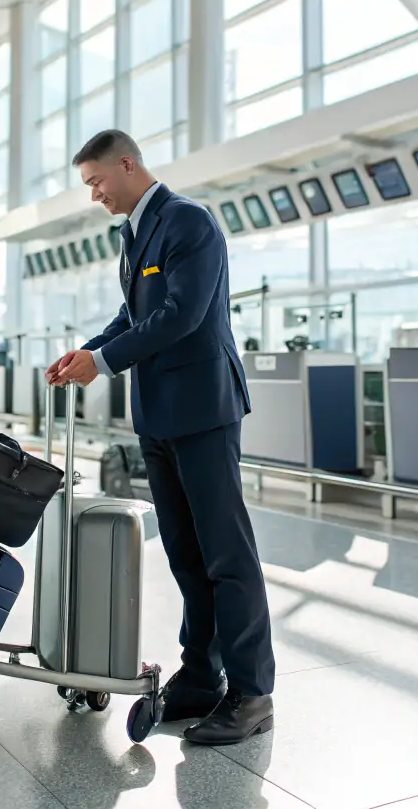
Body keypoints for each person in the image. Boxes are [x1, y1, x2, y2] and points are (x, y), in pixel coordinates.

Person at [47, 130, 275, 746]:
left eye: (96, 180)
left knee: (226, 553)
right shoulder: (134, 235)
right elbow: (134, 315)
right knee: (184, 552)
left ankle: (253, 693)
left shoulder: (187, 222)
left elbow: (184, 313)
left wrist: (107, 362)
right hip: (159, 414)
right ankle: (201, 675)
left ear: (127, 165)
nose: (93, 194)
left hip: (202, 409)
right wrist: (88, 352)